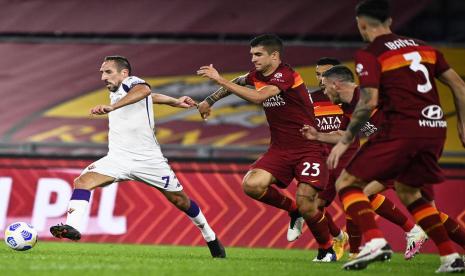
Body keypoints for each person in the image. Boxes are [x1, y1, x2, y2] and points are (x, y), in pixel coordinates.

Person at [327, 0, 465, 272]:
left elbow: (368, 103)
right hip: (435, 129)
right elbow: (459, 85)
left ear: (361, 24)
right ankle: (451, 257)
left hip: (401, 129)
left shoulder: (371, 54)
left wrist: (343, 142)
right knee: (410, 192)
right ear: (390, 21)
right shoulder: (426, 49)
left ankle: (376, 242)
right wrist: (463, 124)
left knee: (347, 182)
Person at [49, 55, 226, 258]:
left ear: (124, 73)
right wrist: (174, 101)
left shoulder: (131, 82)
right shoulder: (118, 92)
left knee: (181, 201)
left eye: (108, 72)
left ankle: (210, 236)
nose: (103, 77)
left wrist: (112, 108)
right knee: (83, 181)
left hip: (149, 161)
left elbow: (144, 91)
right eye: (102, 73)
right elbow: (150, 97)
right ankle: (71, 227)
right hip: (117, 158)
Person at [197, 34, 336, 262]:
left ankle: (326, 249)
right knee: (251, 185)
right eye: (252, 54)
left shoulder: (287, 75)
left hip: (308, 148)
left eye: (258, 54)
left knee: (307, 202)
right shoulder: (256, 75)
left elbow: (258, 97)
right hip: (280, 149)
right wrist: (209, 101)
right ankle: (294, 211)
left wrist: (219, 79)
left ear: (274, 55)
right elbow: (239, 83)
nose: (253, 58)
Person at [307, 60, 426, 261]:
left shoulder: (369, 95)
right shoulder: (345, 106)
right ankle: (378, 243)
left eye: (324, 79)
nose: (321, 84)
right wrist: (316, 136)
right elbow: (345, 134)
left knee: (355, 193)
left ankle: (377, 243)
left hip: (404, 150)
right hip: (386, 152)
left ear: (335, 83)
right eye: (317, 75)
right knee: (355, 194)